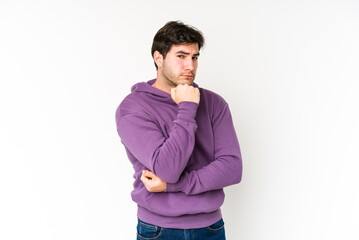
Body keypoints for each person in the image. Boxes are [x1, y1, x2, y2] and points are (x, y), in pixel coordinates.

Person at [115, 21, 242, 240]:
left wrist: (173, 186)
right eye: (181, 56)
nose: (190, 66)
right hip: (158, 230)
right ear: (159, 58)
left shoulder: (214, 103)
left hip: (211, 227)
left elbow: (232, 168)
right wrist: (187, 108)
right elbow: (168, 169)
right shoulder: (133, 108)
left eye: (194, 57)